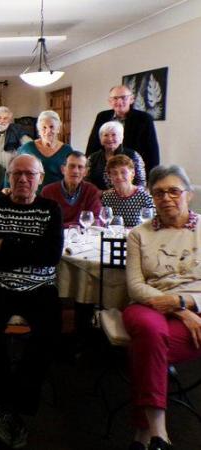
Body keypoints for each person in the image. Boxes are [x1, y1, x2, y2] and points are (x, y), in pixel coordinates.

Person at [0, 153, 63, 449]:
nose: (23, 179)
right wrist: (29, 248)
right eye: (17, 174)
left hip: (39, 287)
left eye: (30, 174)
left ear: (40, 178)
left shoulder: (51, 210)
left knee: (49, 335)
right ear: (8, 178)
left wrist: (5, 244)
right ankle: (0, 403)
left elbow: (51, 256)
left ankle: (20, 400)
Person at [123, 165, 201, 450]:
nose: (166, 198)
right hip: (148, 306)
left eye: (174, 191)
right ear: (151, 198)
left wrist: (189, 302)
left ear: (188, 195)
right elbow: (135, 285)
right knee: (149, 330)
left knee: (144, 350)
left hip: (197, 311)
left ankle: (145, 434)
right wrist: (180, 308)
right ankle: (161, 434)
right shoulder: (138, 234)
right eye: (159, 193)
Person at [86, 85, 160, 175]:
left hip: (132, 171)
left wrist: (152, 177)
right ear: (110, 101)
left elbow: (152, 151)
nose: (119, 101)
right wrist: (87, 166)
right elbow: (93, 144)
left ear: (131, 99)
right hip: (103, 170)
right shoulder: (102, 116)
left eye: (124, 98)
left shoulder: (144, 119)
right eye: (115, 98)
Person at [15, 110, 73, 192]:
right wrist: (8, 187)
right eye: (44, 127)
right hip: (33, 196)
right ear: (39, 130)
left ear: (58, 129)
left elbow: (72, 176)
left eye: (52, 127)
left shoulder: (67, 150)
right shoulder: (27, 148)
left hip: (58, 196)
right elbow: (14, 169)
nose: (48, 131)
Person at [41, 151, 102, 227]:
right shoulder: (48, 192)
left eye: (80, 167)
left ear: (85, 172)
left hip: (83, 236)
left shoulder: (91, 191)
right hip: (57, 236)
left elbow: (96, 220)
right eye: (71, 166)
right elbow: (44, 220)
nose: (75, 171)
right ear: (63, 169)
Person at [86, 121, 146, 190]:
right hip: (98, 198)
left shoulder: (133, 155)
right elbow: (87, 182)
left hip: (128, 198)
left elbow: (141, 183)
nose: (110, 138)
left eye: (114, 135)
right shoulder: (93, 158)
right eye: (106, 135)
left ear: (121, 138)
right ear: (101, 139)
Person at [101, 154, 154, 228]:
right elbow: (104, 225)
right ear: (110, 177)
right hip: (114, 238)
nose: (119, 177)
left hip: (137, 238)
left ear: (133, 174)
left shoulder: (145, 197)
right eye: (114, 173)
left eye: (123, 172)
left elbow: (152, 225)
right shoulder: (107, 197)